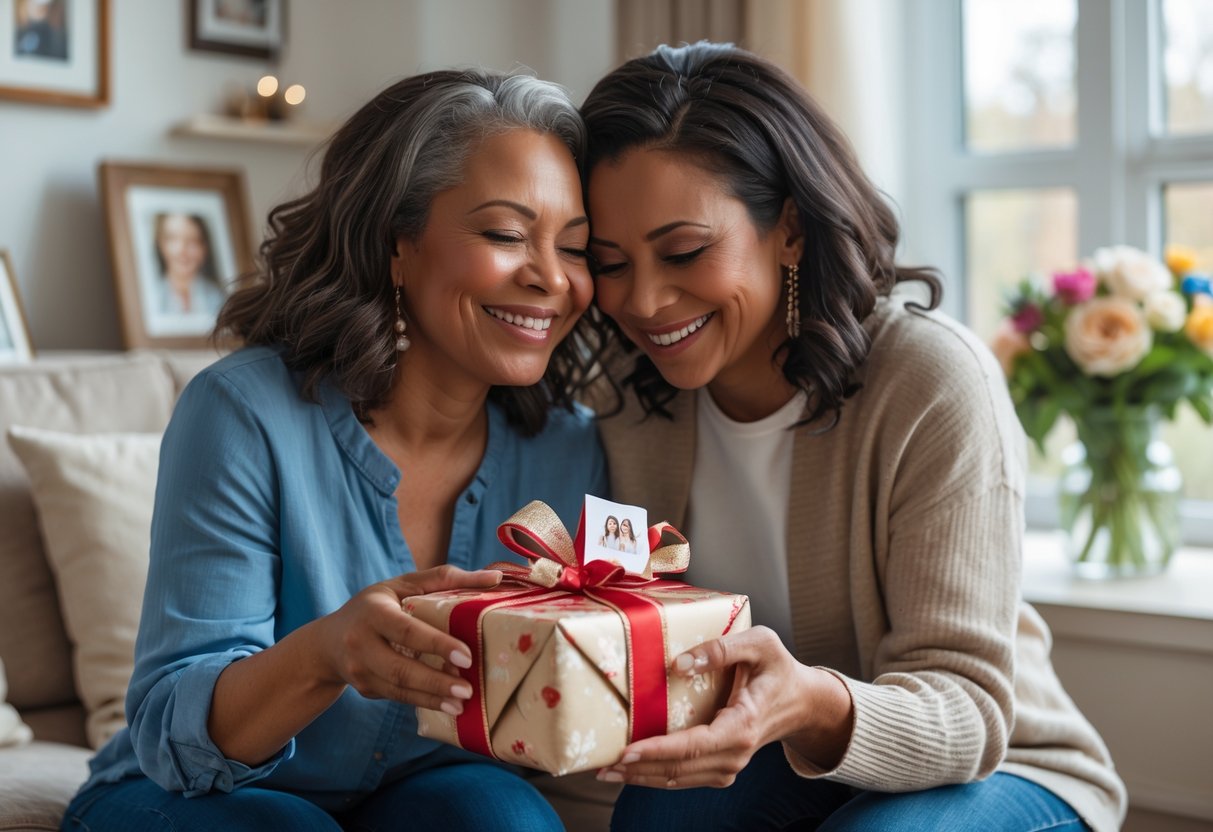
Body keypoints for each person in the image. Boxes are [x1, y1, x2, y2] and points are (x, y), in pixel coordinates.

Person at [581, 43, 1126, 832]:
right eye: (609, 263)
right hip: (781, 761)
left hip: (1007, 767)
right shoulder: (625, 399)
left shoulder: (930, 382)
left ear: (791, 229)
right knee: (657, 820)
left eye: (684, 252)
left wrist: (805, 701)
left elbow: (969, 711)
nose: (646, 301)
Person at [61, 68, 605, 832]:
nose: (551, 277)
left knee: (506, 820)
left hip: (423, 788)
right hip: (200, 795)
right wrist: (327, 653)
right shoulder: (244, 412)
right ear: (397, 245)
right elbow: (173, 734)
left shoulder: (570, 445)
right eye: (505, 235)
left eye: (575, 248)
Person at [151, 212, 227, 318]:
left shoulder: (219, 299)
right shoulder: (150, 297)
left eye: (192, 241)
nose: (182, 250)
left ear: (204, 249)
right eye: (172, 239)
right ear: (161, 245)